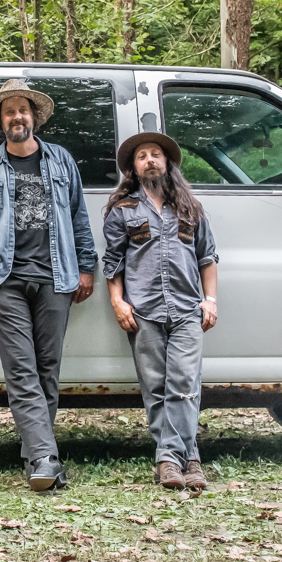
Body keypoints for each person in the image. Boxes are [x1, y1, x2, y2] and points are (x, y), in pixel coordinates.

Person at [0, 79, 97, 491]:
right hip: (6, 279)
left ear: (34, 117)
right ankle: (45, 458)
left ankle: (36, 454)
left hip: (57, 277)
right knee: (21, 369)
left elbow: (79, 216)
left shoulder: (61, 160)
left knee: (47, 369)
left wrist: (86, 266)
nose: (17, 117)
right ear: (0, 121)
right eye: (9, 111)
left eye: (23, 110)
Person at [102, 132, 218, 492]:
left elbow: (207, 257)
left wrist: (210, 300)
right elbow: (112, 262)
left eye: (156, 154)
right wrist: (117, 301)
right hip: (143, 311)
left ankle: (169, 459)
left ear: (167, 163)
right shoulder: (122, 210)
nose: (150, 160)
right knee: (155, 387)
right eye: (142, 156)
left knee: (184, 384)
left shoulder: (191, 208)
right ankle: (190, 460)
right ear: (133, 169)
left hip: (187, 309)